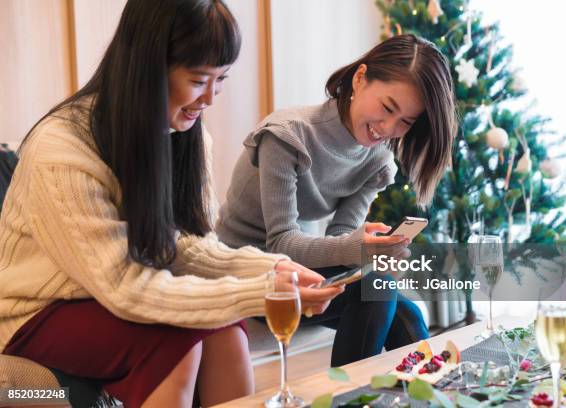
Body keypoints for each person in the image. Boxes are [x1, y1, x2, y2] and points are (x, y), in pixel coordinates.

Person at [0, 1, 343, 407]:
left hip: (108, 297)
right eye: (199, 80)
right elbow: (124, 289)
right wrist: (264, 291)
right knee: (175, 346)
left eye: (221, 79)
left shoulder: (186, 136)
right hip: (37, 311)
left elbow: (186, 246)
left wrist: (273, 268)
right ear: (146, 69)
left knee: (227, 330)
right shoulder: (62, 149)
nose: (210, 98)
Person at [216, 34, 457, 366]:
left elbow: (339, 238)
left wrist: (369, 249)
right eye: (387, 108)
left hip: (302, 270)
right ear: (360, 78)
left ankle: (428, 396)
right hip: (246, 269)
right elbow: (281, 243)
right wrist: (356, 248)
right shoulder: (286, 137)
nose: (387, 128)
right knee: (378, 289)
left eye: (405, 122)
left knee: (407, 313)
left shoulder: (375, 162)